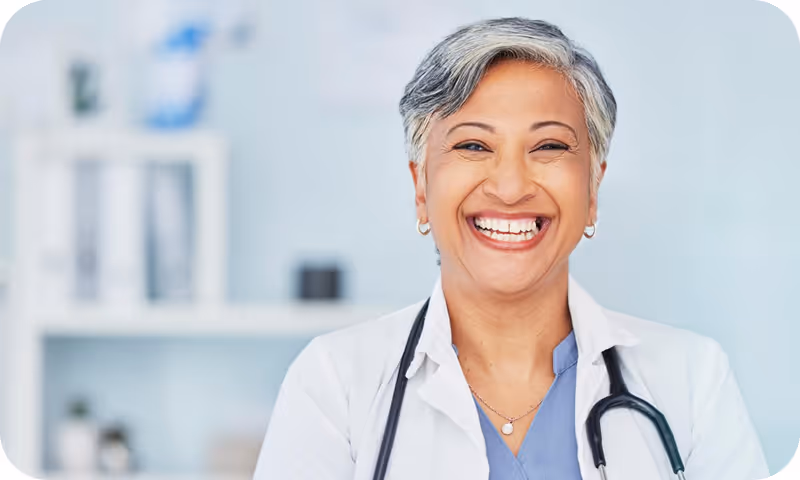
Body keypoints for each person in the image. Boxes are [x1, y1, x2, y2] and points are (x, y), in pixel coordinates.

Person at [253, 17, 769, 480]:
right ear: (420, 188)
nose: (509, 185)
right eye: (473, 145)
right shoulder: (334, 383)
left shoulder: (692, 379)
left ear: (592, 191)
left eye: (548, 146)